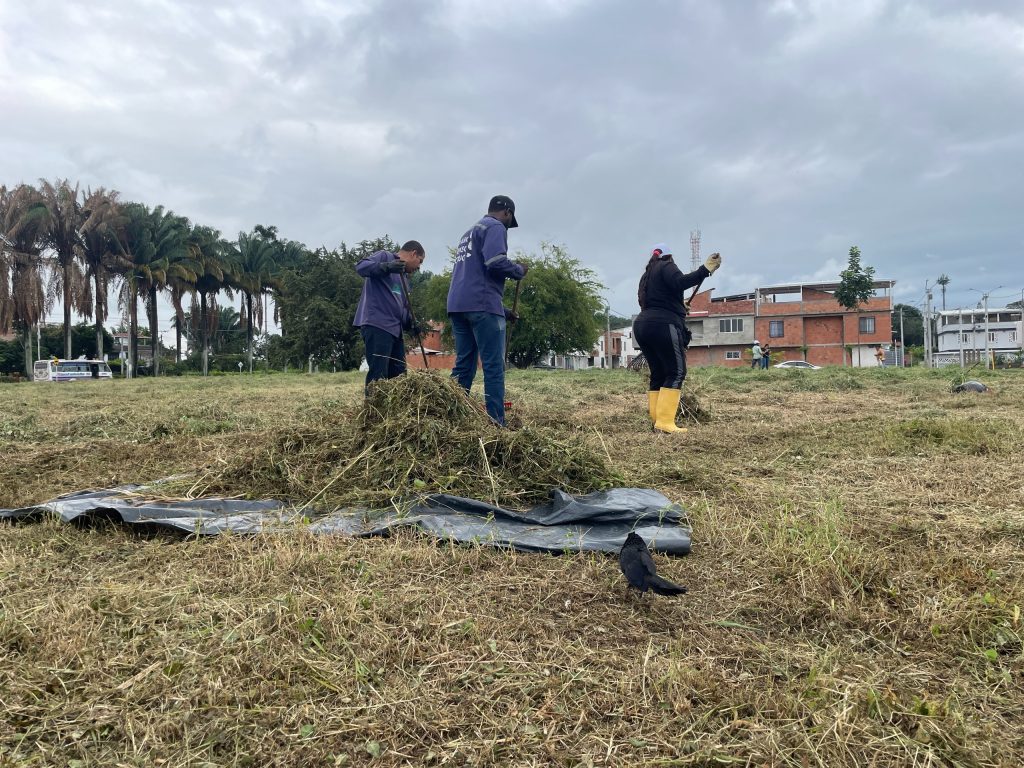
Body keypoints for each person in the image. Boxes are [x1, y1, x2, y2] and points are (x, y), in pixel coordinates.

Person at [447, 195, 528, 426]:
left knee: (464, 365)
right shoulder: (495, 227)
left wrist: (502, 310)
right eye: (509, 222)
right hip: (482, 306)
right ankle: (496, 423)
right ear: (507, 213)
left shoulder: (468, 233)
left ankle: (453, 418)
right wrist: (518, 270)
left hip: (458, 306)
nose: (507, 227)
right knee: (493, 365)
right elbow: (495, 262)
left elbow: (474, 278)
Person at [633, 244, 722, 434]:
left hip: (642, 325)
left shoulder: (647, 276)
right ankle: (665, 423)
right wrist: (704, 270)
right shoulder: (666, 265)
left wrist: (678, 306)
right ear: (669, 256)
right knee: (676, 372)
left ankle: (657, 420)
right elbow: (680, 282)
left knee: (658, 373)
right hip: (663, 325)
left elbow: (661, 298)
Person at [353, 241, 426, 394]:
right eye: (420, 261)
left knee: (399, 376)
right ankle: (373, 414)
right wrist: (386, 267)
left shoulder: (404, 279)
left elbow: (401, 308)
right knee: (378, 375)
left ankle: (395, 415)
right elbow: (361, 267)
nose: (419, 267)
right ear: (413, 253)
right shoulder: (384, 256)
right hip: (377, 325)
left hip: (395, 331)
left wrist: (412, 324)